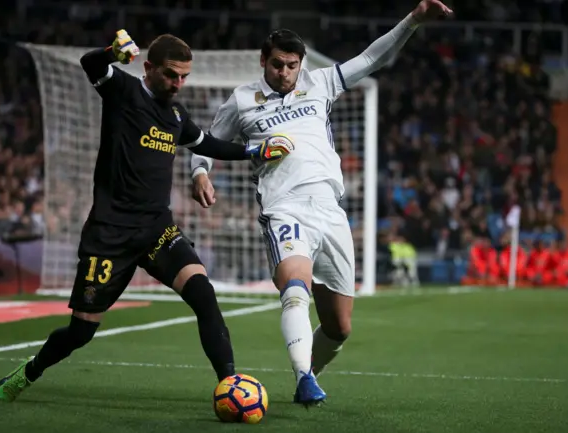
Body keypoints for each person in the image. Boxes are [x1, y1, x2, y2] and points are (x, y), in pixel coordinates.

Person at [0, 30, 290, 402]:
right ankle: (29, 372)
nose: (178, 83)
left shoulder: (176, 115)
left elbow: (208, 144)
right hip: (110, 235)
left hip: (157, 231)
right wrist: (111, 52)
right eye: (170, 74)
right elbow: (91, 64)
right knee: (80, 332)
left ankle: (229, 385)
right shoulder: (124, 91)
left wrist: (254, 151)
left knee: (203, 294)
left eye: (184, 76)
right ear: (148, 68)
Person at [189, 0, 453, 406]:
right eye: (277, 64)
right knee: (295, 289)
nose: (285, 73)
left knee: (339, 326)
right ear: (264, 60)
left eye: (292, 65)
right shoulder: (243, 100)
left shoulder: (321, 83)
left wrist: (414, 19)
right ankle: (303, 377)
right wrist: (199, 172)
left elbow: (371, 57)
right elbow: (207, 142)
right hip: (284, 206)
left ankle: (309, 373)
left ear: (302, 64)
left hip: (331, 210)